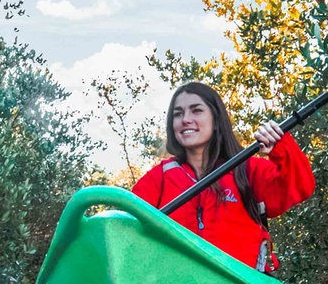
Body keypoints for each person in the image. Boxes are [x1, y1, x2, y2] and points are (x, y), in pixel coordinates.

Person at [132, 81, 315, 273]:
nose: (185, 119)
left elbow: (300, 186)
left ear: (216, 119)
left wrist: (280, 145)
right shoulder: (160, 177)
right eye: (178, 114)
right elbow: (127, 223)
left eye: (196, 110)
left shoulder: (246, 169)